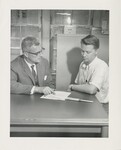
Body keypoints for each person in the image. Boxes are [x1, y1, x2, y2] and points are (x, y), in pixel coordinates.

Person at [68, 35, 109, 103]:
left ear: (96, 51)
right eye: (82, 51)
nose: (84, 55)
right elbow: (79, 86)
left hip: (100, 105)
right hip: (86, 101)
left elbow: (92, 89)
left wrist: (72, 87)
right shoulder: (82, 64)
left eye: (88, 52)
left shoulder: (101, 66)